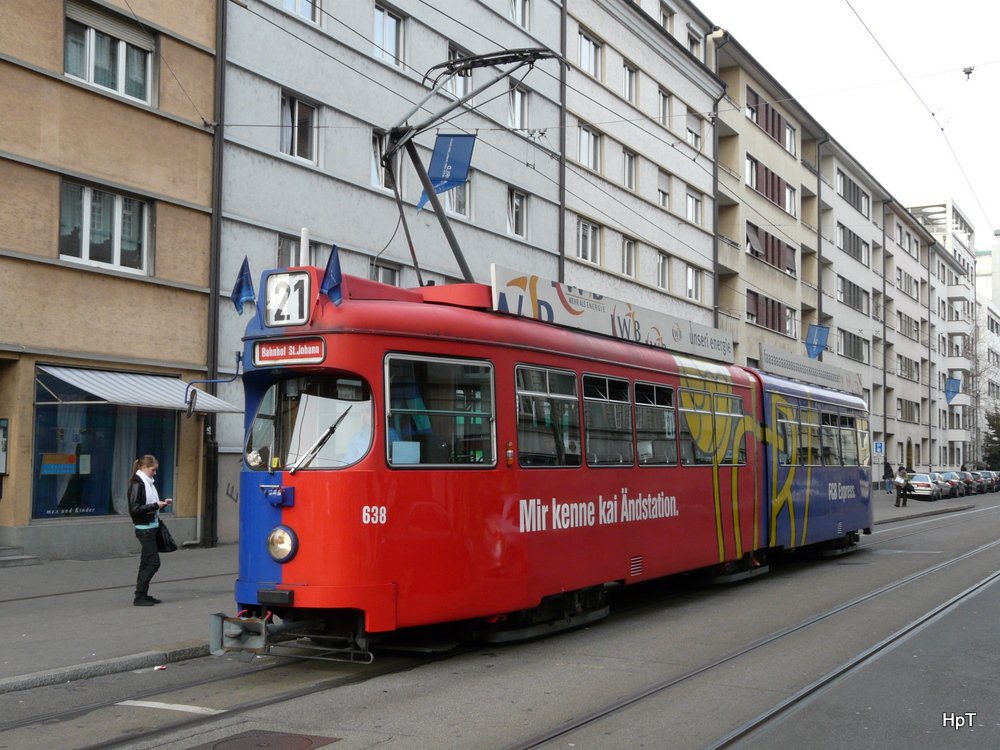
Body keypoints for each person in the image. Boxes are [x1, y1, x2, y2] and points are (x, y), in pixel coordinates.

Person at [127, 455, 172, 606]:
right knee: (153, 563)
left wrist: (162, 504)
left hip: (150, 526)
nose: (155, 473)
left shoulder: (147, 483)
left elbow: (146, 505)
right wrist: (155, 506)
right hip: (144, 529)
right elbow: (135, 509)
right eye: (153, 470)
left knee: (146, 562)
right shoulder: (137, 484)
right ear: (144, 467)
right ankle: (139, 596)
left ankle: (142, 595)